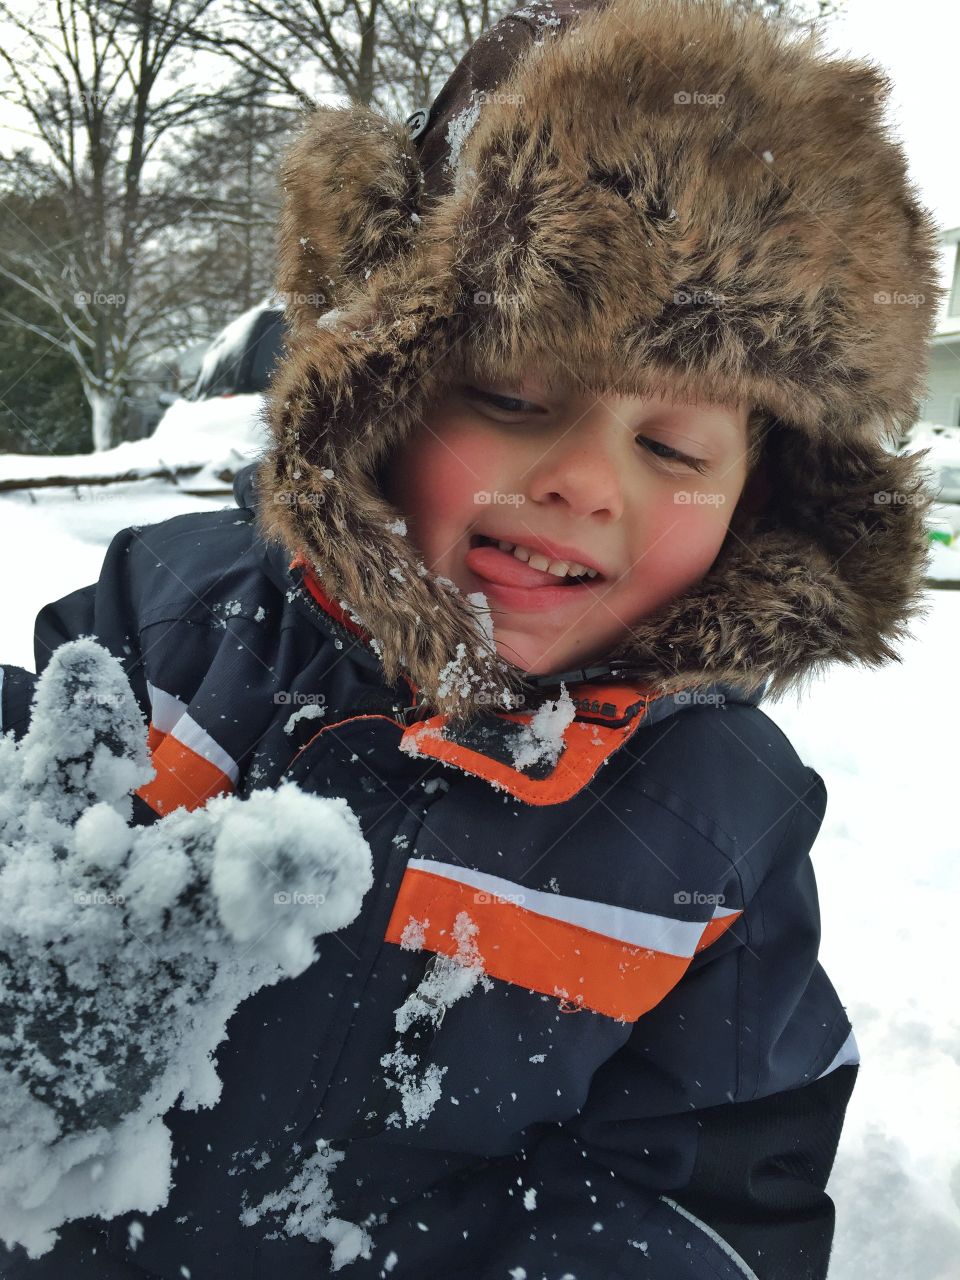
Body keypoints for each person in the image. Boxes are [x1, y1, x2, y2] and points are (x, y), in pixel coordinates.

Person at [0, 0, 941, 1276]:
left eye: (672, 445)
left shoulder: (718, 834)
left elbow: (708, 1196)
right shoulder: (170, 626)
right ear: (379, 396)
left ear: (759, 506)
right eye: (510, 397)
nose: (583, 483)